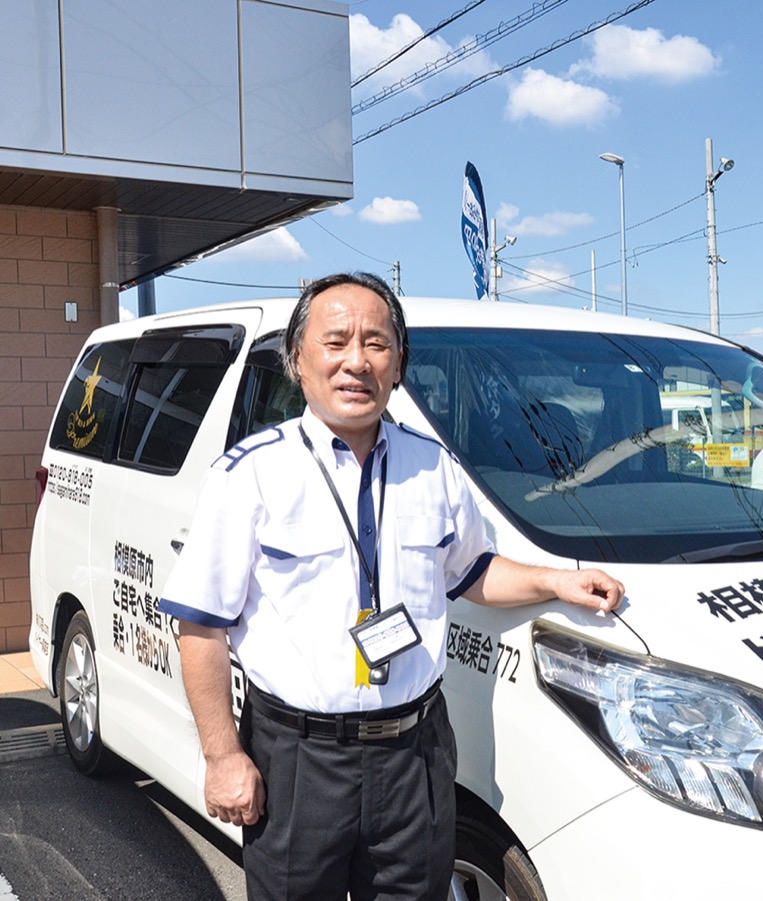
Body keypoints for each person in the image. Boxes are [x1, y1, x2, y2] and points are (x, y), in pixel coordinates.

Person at [159, 272, 624, 901]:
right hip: (298, 760)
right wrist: (222, 756)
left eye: (376, 343)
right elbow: (202, 627)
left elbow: (473, 571)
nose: (357, 361)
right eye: (336, 342)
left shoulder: (434, 466)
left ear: (399, 362)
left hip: (415, 755)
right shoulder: (250, 476)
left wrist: (558, 581)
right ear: (298, 358)